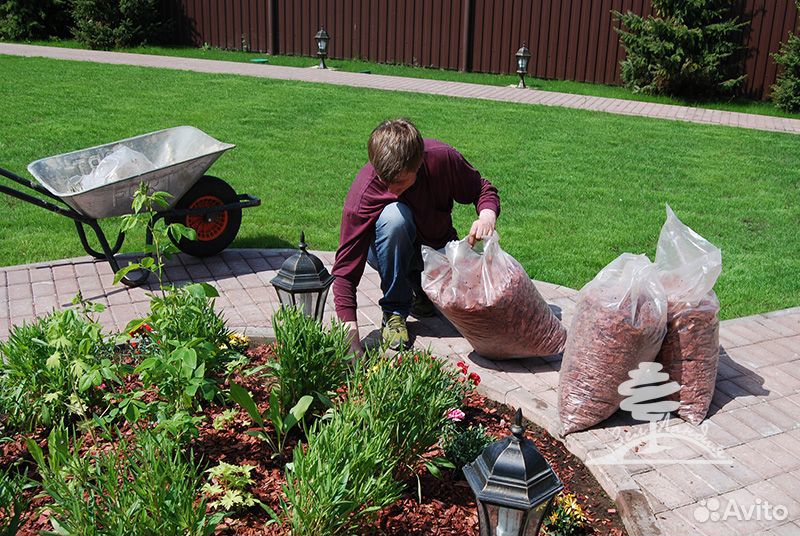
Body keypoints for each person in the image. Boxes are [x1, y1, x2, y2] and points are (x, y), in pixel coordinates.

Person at [332, 118, 500, 352]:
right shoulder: (365, 193)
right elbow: (345, 272)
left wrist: (486, 217)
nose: (390, 189)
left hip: (436, 253)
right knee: (394, 217)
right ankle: (394, 312)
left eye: (399, 181)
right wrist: (349, 340)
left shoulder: (443, 159)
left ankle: (421, 293)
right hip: (388, 251)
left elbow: (481, 188)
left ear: (419, 163)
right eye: (384, 180)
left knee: (479, 314)